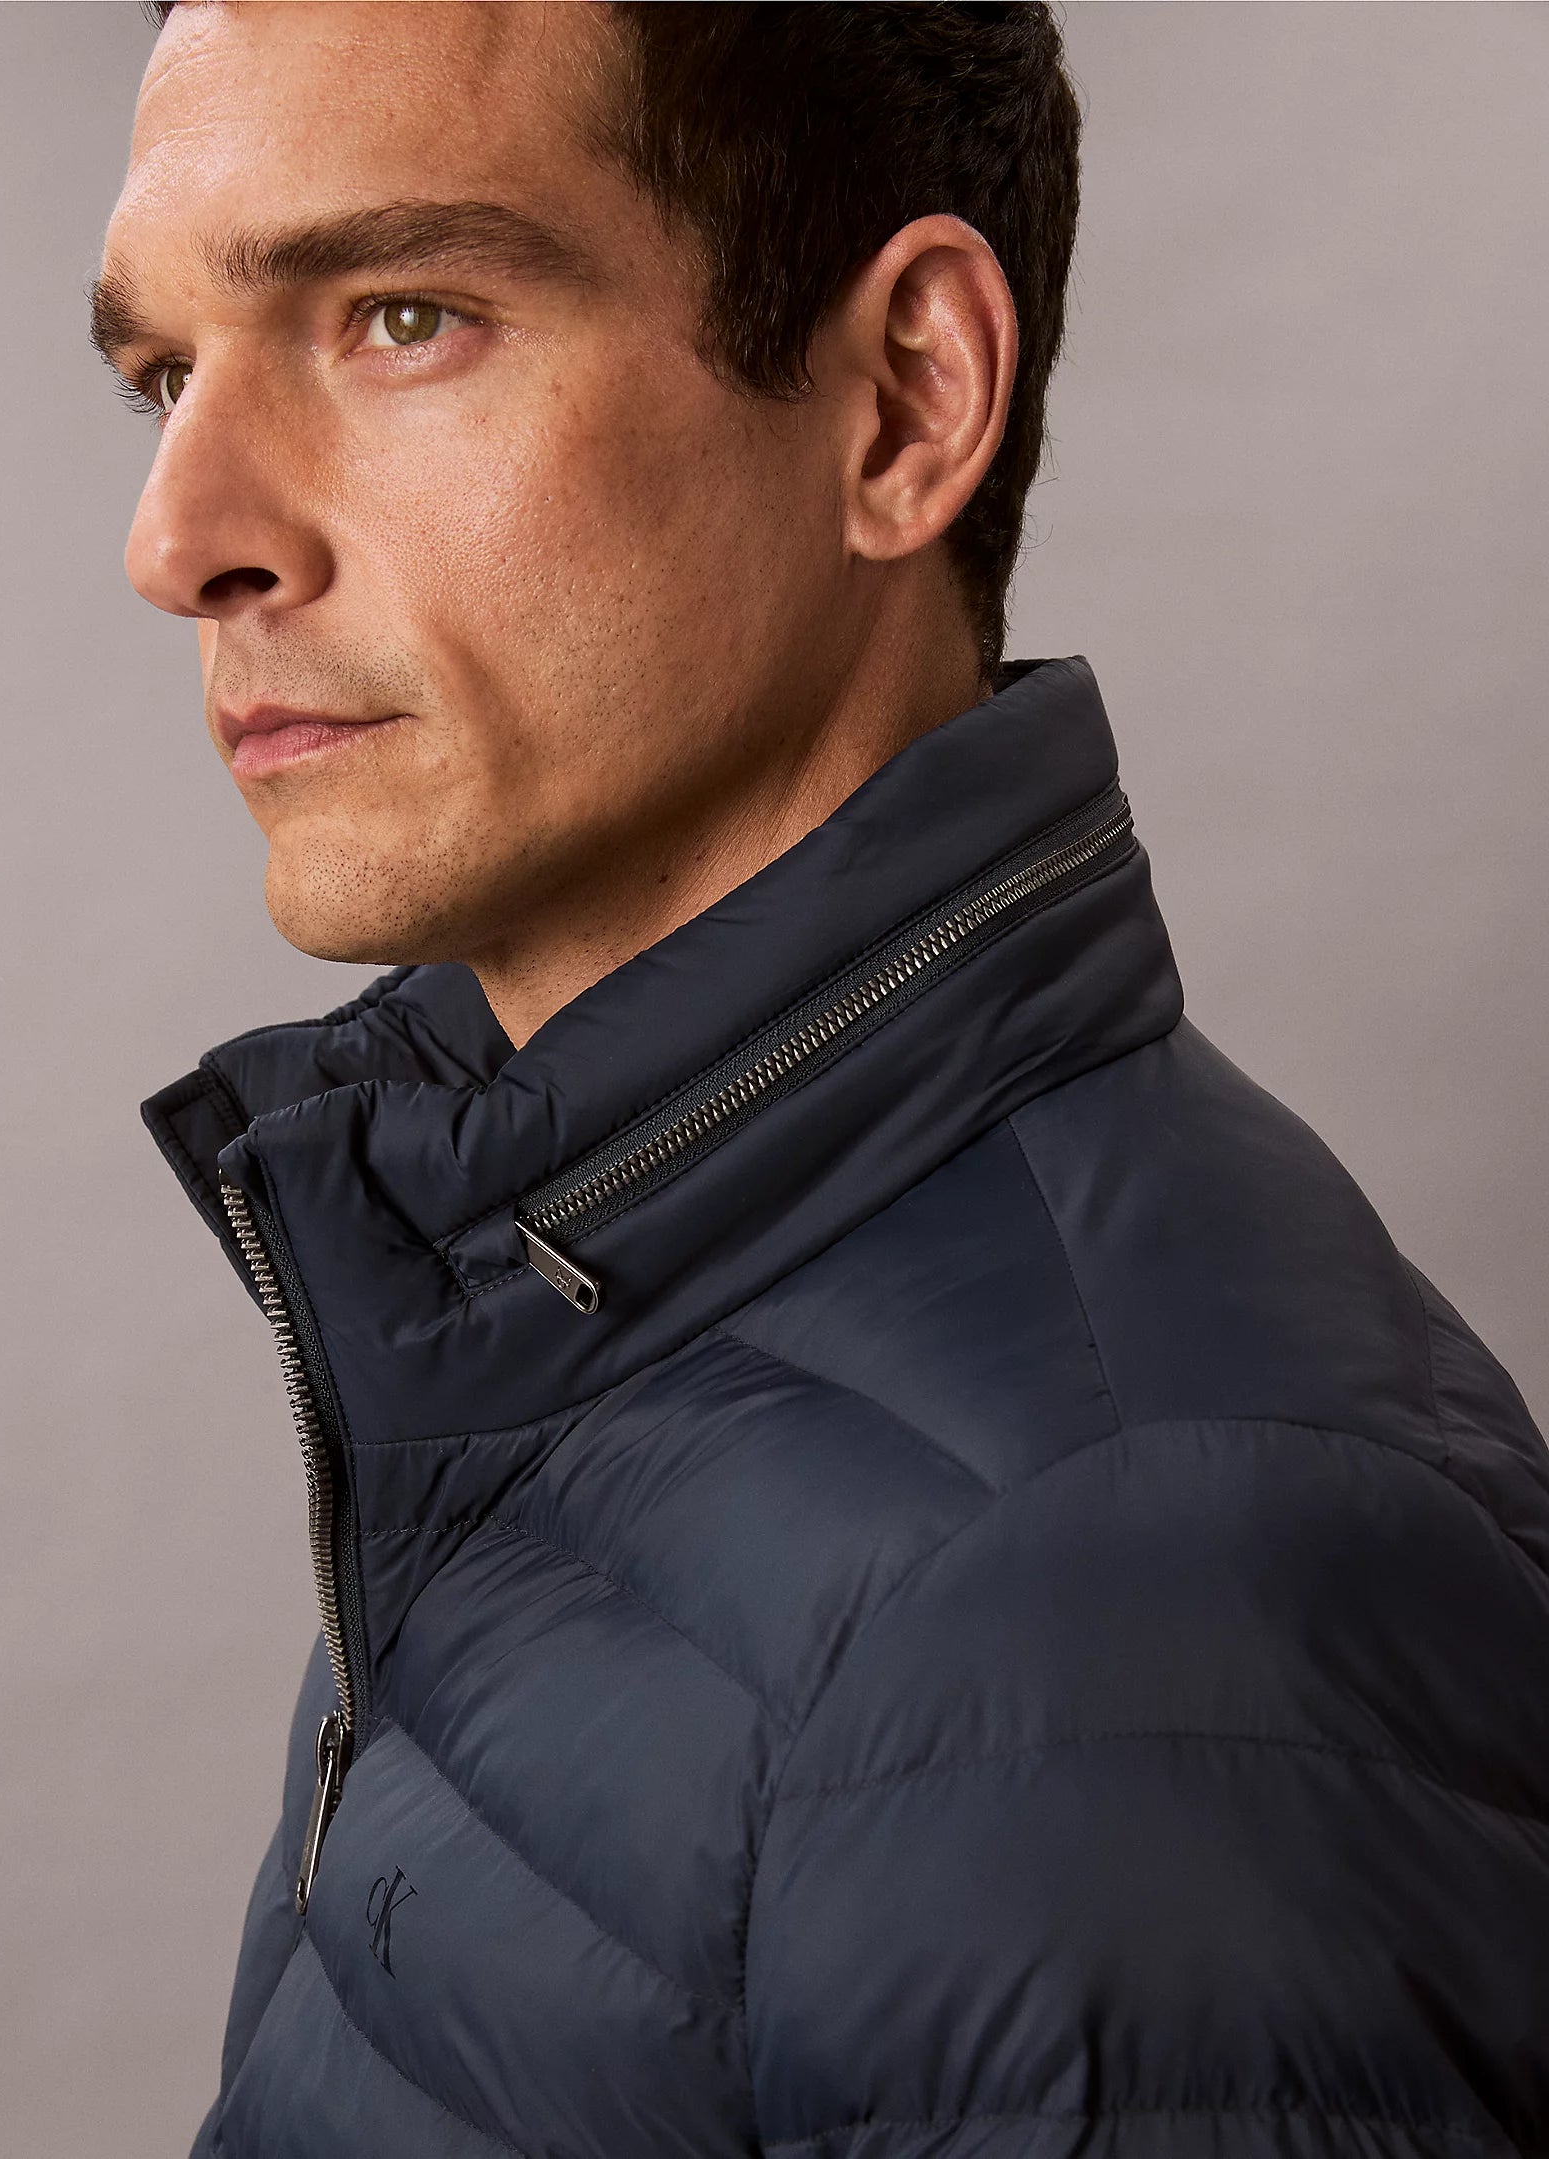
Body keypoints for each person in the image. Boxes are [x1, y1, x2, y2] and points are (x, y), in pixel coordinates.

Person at [97, 4, 1549, 2154]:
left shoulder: (1118, 1602)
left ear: (903, 401)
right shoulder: (546, 1285)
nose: (182, 536)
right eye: (162, 372)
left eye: (402, 316)